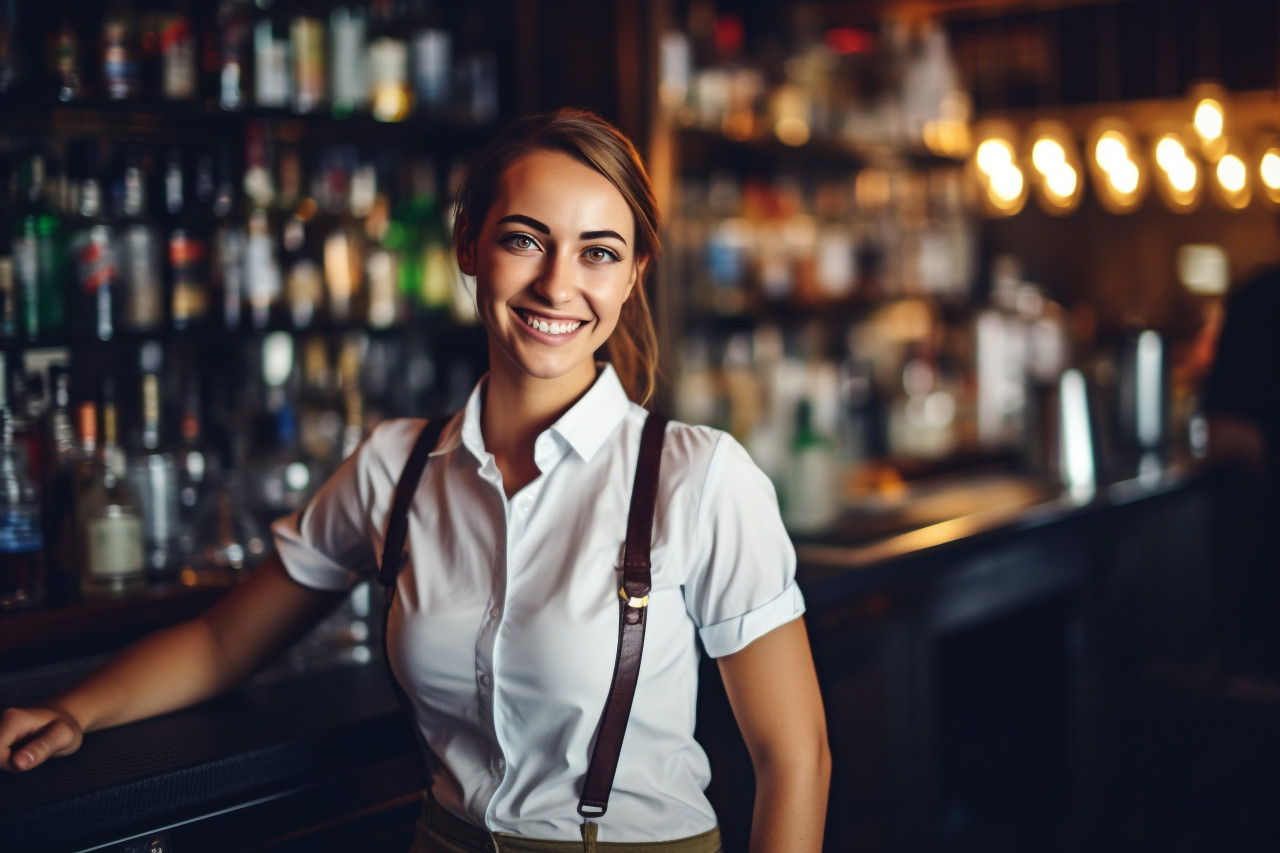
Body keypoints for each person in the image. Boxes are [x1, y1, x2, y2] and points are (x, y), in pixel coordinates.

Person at [0, 109, 831, 852]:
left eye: (599, 253)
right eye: (524, 238)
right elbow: (224, 642)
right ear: (469, 242)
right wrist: (77, 712)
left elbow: (793, 757)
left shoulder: (698, 476)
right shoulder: (395, 468)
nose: (557, 284)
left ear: (634, 273)